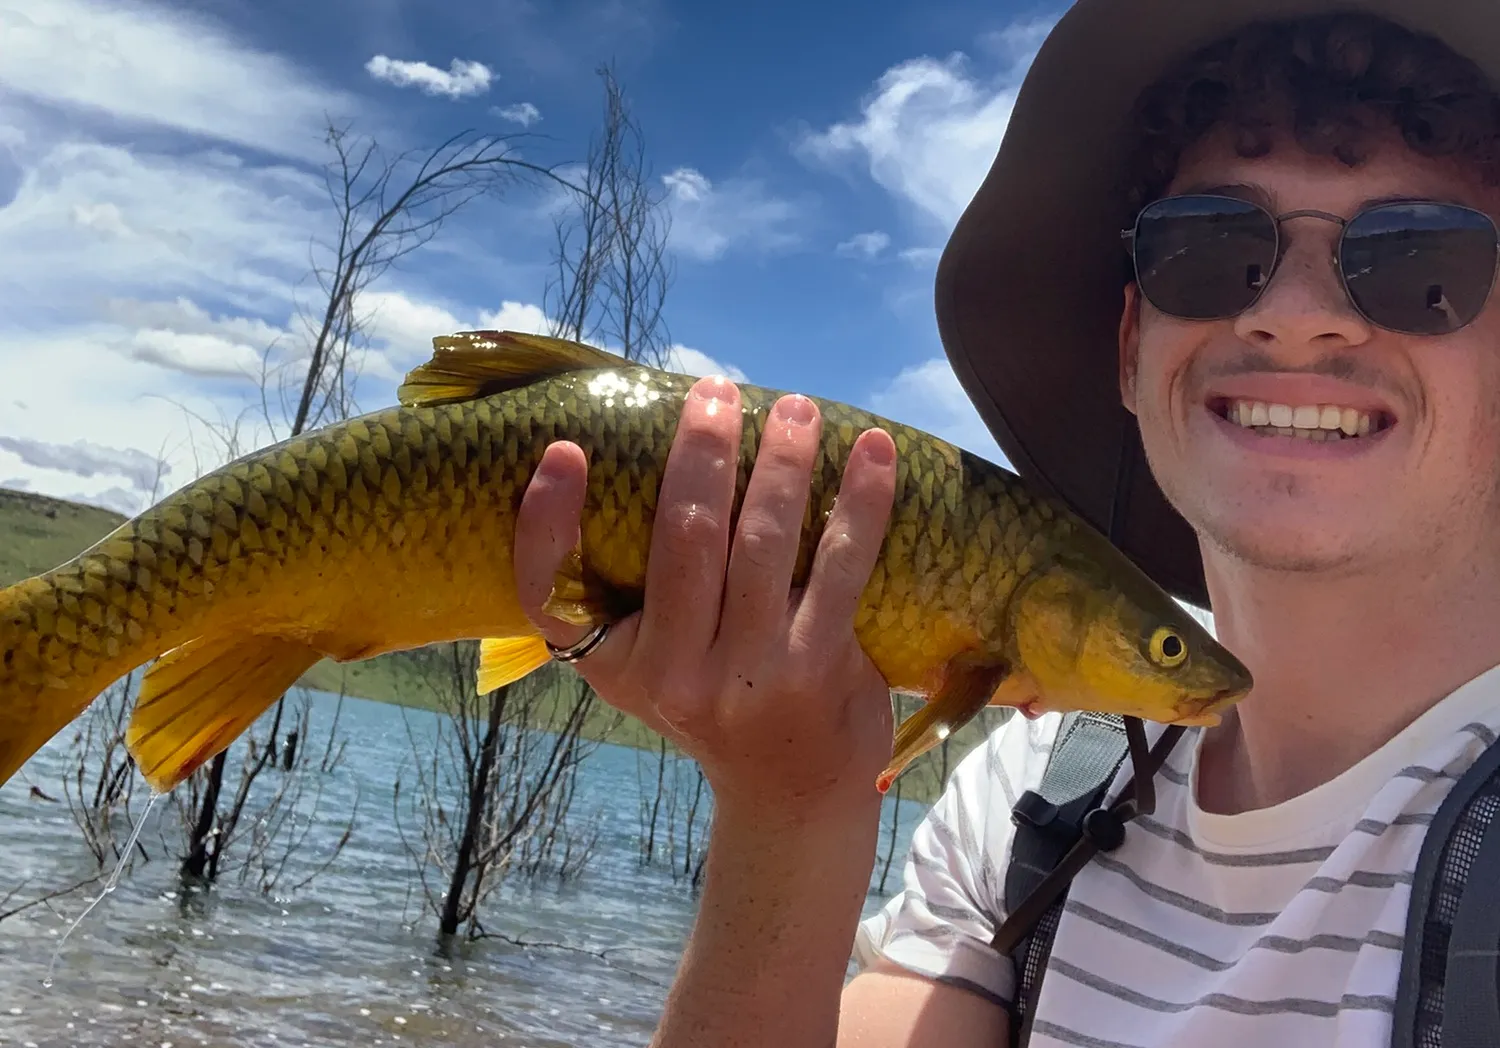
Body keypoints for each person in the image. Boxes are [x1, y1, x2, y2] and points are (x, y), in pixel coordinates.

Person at [509, 0, 1500, 1045]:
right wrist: (790, 813)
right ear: (1131, 347)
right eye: (1210, 246)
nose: (1296, 312)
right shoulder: (1031, 800)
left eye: (1419, 263)